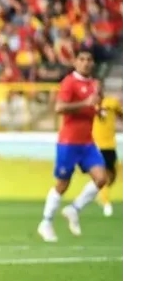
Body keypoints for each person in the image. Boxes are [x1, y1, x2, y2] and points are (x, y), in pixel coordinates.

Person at [37, 49, 108, 242]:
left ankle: (74, 209)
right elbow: (59, 107)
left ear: (93, 63)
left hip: (87, 143)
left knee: (102, 178)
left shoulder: (95, 84)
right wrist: (85, 103)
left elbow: (95, 105)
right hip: (68, 142)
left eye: (89, 59)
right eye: (82, 59)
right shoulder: (69, 82)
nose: (86, 62)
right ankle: (46, 222)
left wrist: (99, 111)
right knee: (62, 184)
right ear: (75, 62)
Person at [92, 86, 123, 217]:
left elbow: (121, 113)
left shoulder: (111, 103)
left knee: (112, 176)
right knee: (103, 175)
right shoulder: (89, 106)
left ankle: (98, 192)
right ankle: (106, 203)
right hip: (97, 145)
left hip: (110, 144)